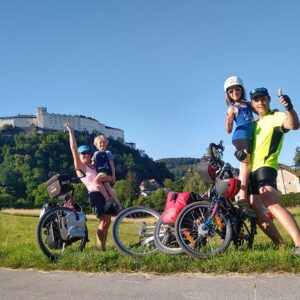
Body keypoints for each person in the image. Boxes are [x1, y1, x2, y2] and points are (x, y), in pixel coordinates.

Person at [248, 87, 300, 255]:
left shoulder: (277, 116)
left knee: (269, 202)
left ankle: (299, 244)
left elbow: (294, 125)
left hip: (266, 166)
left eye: (263, 99)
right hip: (251, 170)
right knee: (254, 208)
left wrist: (289, 108)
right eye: (256, 100)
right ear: (252, 104)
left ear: (269, 99)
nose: (260, 102)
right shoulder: (254, 125)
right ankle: (280, 245)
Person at [64, 122, 115, 251]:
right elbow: (74, 150)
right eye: (83, 153)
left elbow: (106, 174)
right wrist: (71, 132)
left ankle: (102, 248)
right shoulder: (81, 167)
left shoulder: (94, 164)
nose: (86, 155)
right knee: (103, 221)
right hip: (95, 194)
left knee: (107, 222)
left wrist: (110, 177)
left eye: (88, 152)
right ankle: (100, 249)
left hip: (105, 194)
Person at [224, 76, 254, 203]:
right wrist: (229, 122)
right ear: (228, 94)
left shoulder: (248, 104)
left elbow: (261, 112)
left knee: (250, 167)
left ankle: (249, 196)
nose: (234, 92)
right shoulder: (232, 108)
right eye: (231, 91)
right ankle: (242, 199)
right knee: (245, 167)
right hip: (240, 137)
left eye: (237, 89)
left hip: (251, 137)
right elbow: (228, 130)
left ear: (241, 89)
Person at [92, 135, 123, 212]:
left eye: (104, 142)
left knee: (95, 182)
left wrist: (113, 176)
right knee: (109, 189)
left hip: (105, 172)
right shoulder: (95, 154)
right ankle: (119, 205)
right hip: (99, 173)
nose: (102, 144)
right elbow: (93, 164)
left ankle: (108, 199)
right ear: (96, 145)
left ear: (106, 144)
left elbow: (112, 165)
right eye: (100, 143)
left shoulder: (108, 153)